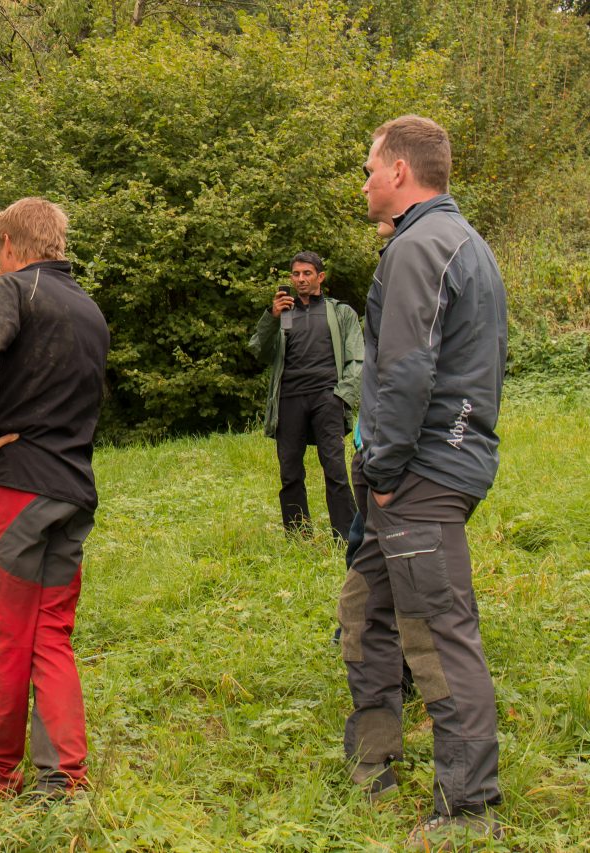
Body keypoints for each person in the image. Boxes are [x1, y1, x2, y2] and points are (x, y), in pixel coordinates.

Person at [338, 115, 507, 846]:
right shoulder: (456, 240)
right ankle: (373, 765)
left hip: (418, 474)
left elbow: (408, 371)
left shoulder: (421, 246)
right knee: (365, 610)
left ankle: (468, 808)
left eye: (372, 167)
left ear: (401, 172)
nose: (366, 181)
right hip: (425, 467)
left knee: (438, 634)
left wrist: (382, 471)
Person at [0, 197, 109, 796]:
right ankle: (64, 776)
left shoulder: (14, 289)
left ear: (11, 246)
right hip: (72, 488)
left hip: (16, 486)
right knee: (50, 633)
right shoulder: (90, 309)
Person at [250, 251, 363, 540]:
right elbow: (258, 351)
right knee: (290, 471)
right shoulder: (282, 314)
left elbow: (357, 360)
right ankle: (298, 537)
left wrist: (343, 396)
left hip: (328, 397)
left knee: (335, 470)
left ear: (320, 277)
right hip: (289, 399)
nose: (300, 279)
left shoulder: (341, 313)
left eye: (307, 274)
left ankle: (347, 537)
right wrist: (270, 317)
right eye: (296, 274)